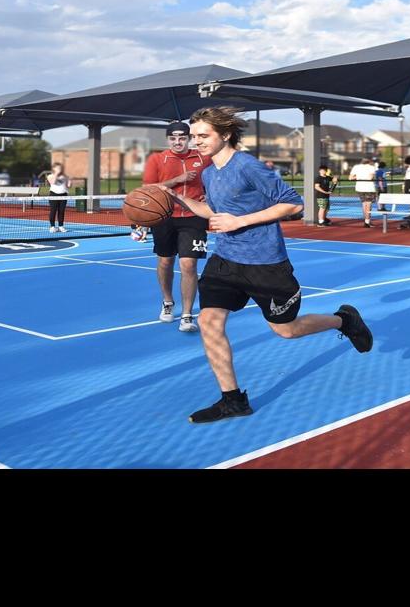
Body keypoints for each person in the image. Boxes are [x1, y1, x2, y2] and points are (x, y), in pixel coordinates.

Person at [180, 106, 374, 424]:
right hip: (225, 261)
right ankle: (233, 400)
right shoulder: (208, 173)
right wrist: (175, 200)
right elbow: (214, 211)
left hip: (265, 265)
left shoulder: (247, 166)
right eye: (193, 136)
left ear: (225, 135)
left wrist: (239, 220)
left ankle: (344, 321)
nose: (196, 142)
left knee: (286, 331)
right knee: (209, 322)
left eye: (203, 135)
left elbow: (293, 202)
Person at [142, 120, 210, 334]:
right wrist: (177, 179)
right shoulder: (157, 159)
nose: (177, 142)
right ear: (168, 139)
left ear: (189, 138)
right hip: (164, 216)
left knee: (189, 265)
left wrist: (211, 194)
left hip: (194, 215)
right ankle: (168, 301)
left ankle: (187, 315)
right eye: (173, 138)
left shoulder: (203, 158)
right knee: (165, 261)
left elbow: (214, 181)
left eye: (182, 138)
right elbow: (147, 188)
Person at [350, 156, 377, 226]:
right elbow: (370, 178)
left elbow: (350, 178)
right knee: (368, 204)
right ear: (369, 161)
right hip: (369, 188)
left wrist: (359, 177)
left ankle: (366, 220)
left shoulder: (356, 167)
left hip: (359, 187)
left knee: (364, 204)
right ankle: (367, 222)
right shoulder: (371, 167)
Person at [46, 162, 70, 233]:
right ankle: (52, 226)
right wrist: (56, 174)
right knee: (53, 211)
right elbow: (53, 182)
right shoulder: (50, 176)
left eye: (60, 168)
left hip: (63, 195)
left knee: (61, 211)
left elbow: (69, 186)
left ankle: (61, 226)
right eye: (58, 168)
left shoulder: (64, 177)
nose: (60, 169)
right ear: (54, 168)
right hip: (54, 195)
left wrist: (69, 179)